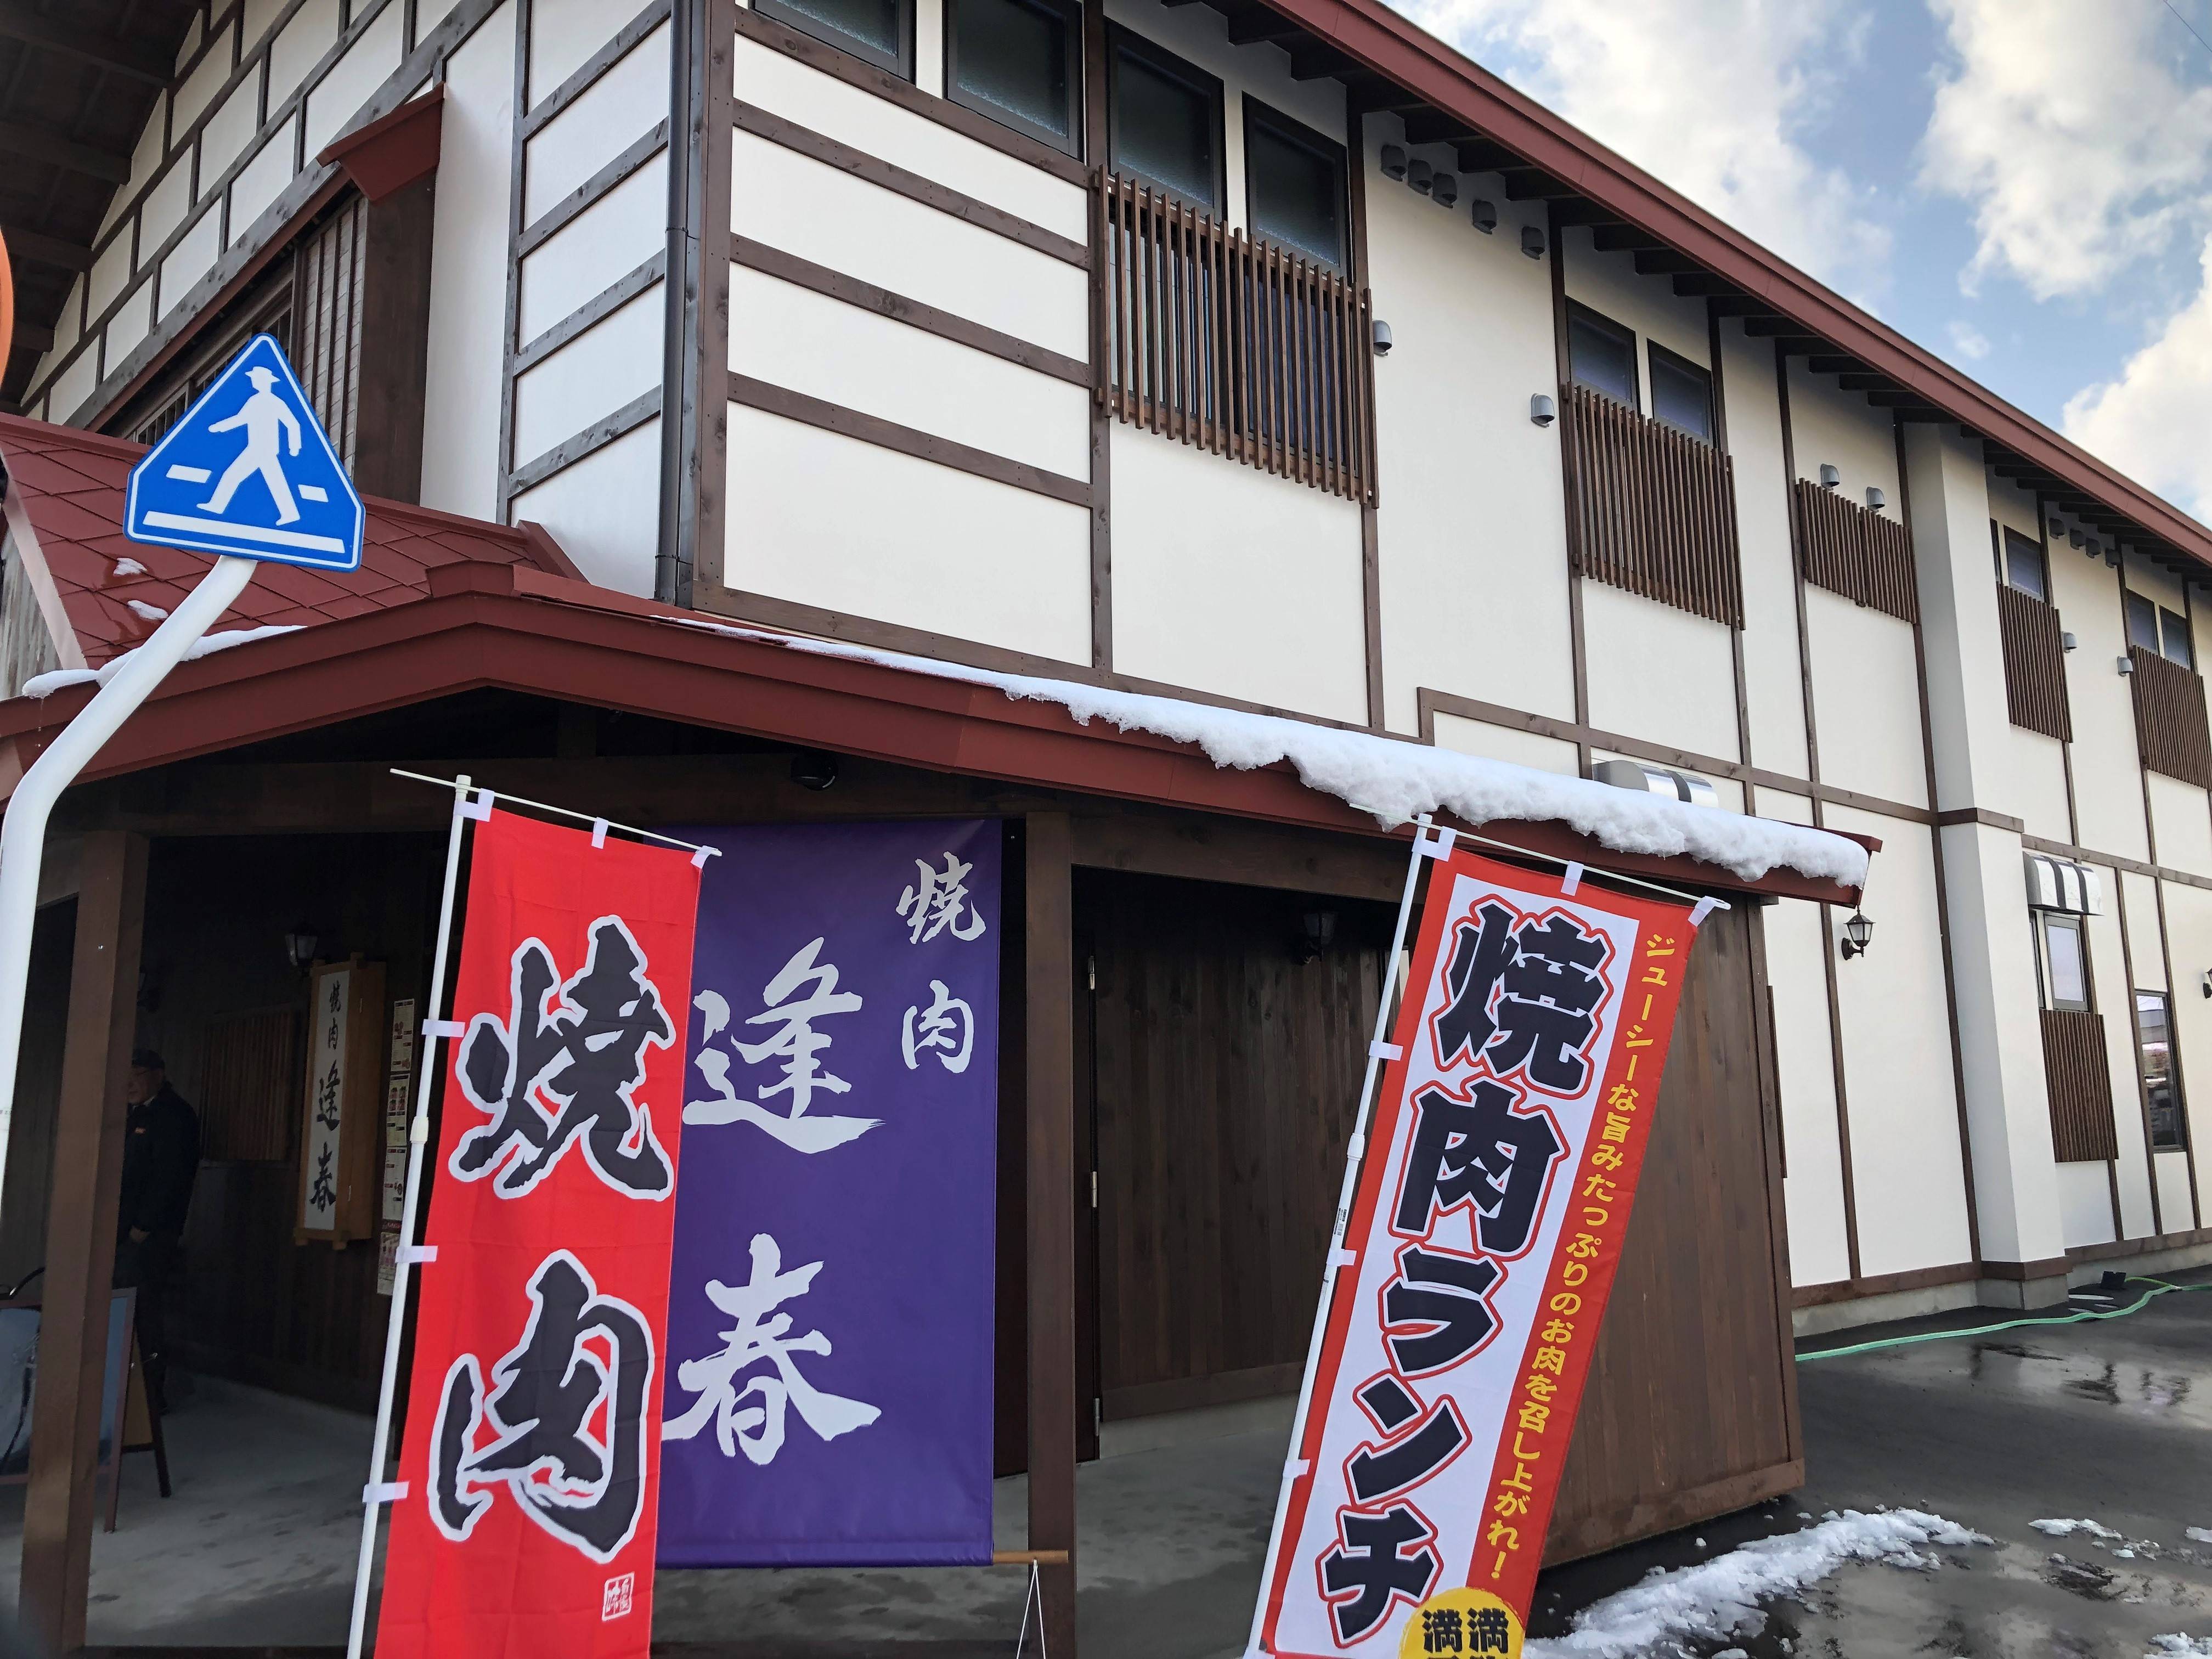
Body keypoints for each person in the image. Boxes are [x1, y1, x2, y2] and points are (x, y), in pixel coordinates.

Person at [114, 1050, 199, 1413]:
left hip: (149, 1236)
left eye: (137, 1074)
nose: (129, 1083)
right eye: (125, 1075)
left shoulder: (173, 1115)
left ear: (158, 1075)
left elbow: (169, 1181)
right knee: (123, 1309)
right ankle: (122, 1398)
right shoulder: (137, 1114)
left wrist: (141, 1229)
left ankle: (149, 1400)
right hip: (125, 1233)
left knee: (144, 1311)